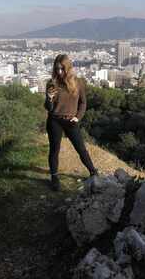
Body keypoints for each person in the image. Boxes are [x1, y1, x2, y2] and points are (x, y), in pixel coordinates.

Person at [44, 54, 98, 191]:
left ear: (68, 68)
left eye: (62, 69)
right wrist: (49, 99)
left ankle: (93, 172)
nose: (59, 72)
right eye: (57, 69)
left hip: (71, 121)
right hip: (55, 120)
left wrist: (78, 117)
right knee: (54, 150)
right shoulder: (52, 83)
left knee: (81, 148)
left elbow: (83, 102)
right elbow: (49, 108)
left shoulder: (78, 82)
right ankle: (54, 177)